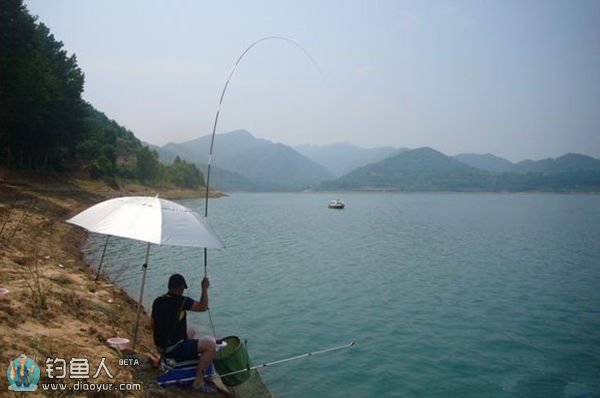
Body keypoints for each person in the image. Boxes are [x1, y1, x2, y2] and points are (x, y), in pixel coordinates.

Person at [151, 273, 217, 394]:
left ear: (169, 286)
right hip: (173, 348)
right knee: (210, 346)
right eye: (182, 288)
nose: (183, 291)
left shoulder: (158, 300)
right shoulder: (182, 301)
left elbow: (152, 324)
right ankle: (199, 382)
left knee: (191, 330)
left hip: (160, 346)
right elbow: (203, 307)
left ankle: (177, 356)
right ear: (180, 287)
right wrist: (204, 288)